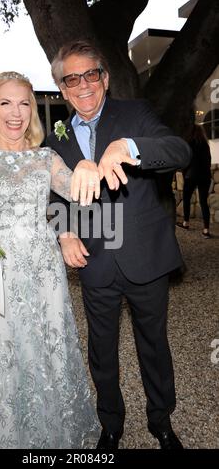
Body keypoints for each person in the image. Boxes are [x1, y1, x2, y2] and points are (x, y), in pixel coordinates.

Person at [47, 41, 192, 450]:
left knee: (154, 345)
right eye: (72, 79)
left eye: (91, 74)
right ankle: (110, 424)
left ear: (105, 79)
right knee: (102, 351)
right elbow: (56, 196)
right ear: (62, 89)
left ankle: (161, 421)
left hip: (145, 255)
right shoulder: (57, 139)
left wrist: (128, 147)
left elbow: (179, 151)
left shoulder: (135, 114)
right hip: (94, 260)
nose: (83, 86)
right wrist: (65, 232)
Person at [0, 71, 101, 449]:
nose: (15, 113)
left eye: (24, 103)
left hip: (41, 273)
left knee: (45, 351)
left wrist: (87, 166)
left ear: (32, 110)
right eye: (6, 103)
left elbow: (83, 196)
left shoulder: (45, 158)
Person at [177, 124, 212, 238]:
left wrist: (184, 172)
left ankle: (186, 223)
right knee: (203, 202)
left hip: (191, 175)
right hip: (205, 176)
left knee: (186, 199)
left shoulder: (189, 143)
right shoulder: (206, 145)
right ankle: (206, 230)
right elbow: (208, 161)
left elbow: (184, 161)